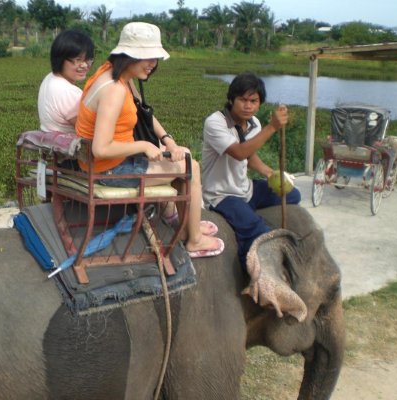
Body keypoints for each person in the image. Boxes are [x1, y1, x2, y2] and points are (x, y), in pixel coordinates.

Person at [75, 22, 223, 258]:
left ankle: (187, 224)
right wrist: (144, 145)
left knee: (182, 153)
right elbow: (100, 148)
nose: (152, 64)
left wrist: (168, 141)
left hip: (114, 162)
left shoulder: (115, 75)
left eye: (155, 58)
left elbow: (144, 113)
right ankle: (194, 239)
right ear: (129, 54)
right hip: (110, 170)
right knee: (191, 167)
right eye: (147, 57)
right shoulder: (113, 89)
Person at [201, 72, 301, 266]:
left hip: (245, 188)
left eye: (254, 101)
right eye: (242, 100)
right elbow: (239, 152)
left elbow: (249, 155)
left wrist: (270, 173)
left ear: (260, 103)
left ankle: (248, 215)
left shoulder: (254, 123)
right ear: (231, 99)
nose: (248, 106)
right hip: (221, 194)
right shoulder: (215, 122)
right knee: (257, 230)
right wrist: (272, 127)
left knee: (293, 195)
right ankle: (247, 268)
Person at [37, 29, 94, 134]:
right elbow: (88, 130)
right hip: (70, 147)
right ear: (60, 58)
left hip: (51, 141)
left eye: (88, 60)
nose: (85, 65)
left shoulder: (50, 78)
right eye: (78, 60)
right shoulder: (68, 92)